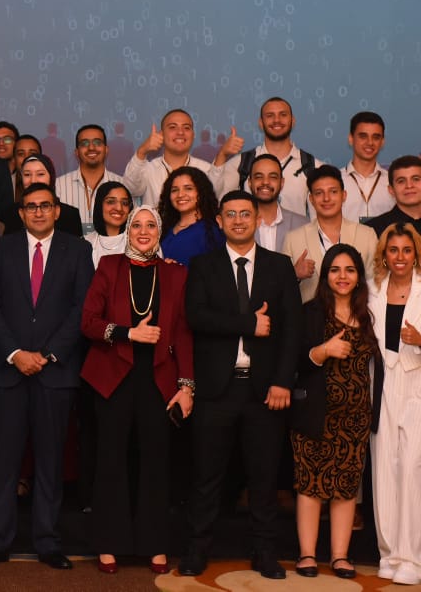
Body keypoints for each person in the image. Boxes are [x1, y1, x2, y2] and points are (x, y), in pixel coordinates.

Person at [179, 190, 302, 580]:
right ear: (219, 221)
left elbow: (292, 330)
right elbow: (196, 316)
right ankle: (197, 550)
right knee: (206, 477)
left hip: (265, 391)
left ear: (257, 219)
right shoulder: (203, 265)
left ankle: (265, 553)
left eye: (245, 214)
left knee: (264, 480)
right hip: (216, 389)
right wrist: (248, 323)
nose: (237, 220)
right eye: (230, 214)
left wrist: (283, 381)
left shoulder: (279, 266)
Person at [0, 183, 92, 570]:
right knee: (4, 462)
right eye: (30, 207)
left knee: (50, 462)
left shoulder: (78, 250)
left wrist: (48, 354)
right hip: (7, 369)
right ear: (21, 213)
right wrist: (16, 354)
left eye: (45, 206)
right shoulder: (1, 249)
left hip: (55, 371)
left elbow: (81, 309)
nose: (38, 212)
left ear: (57, 210)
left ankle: (47, 541)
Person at [80, 205, 193, 574]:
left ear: (159, 233)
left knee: (156, 462)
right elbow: (88, 323)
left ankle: (154, 544)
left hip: (158, 381)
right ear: (127, 231)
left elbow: (183, 333)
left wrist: (187, 386)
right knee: (110, 461)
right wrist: (129, 333)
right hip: (112, 378)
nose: (143, 232)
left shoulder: (176, 273)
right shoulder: (108, 266)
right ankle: (108, 544)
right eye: (137, 226)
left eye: (151, 226)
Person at [288, 244, 380, 580]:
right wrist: (323, 351)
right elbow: (294, 360)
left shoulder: (369, 314)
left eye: (350, 270)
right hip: (315, 414)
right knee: (310, 485)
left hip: (355, 418)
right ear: (325, 275)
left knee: (345, 486)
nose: (343, 276)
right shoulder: (310, 312)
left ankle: (340, 556)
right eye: (335, 270)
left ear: (359, 276)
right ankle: (307, 555)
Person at [368, 222, 421, 585]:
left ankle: (412, 557)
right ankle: (388, 553)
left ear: (415, 254)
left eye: (406, 250)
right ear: (384, 255)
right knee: (384, 468)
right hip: (381, 385)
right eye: (393, 250)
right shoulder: (373, 289)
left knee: (412, 470)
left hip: (416, 383)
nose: (400, 257)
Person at [282, 165, 377, 301]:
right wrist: (295, 275)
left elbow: (376, 284)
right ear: (311, 199)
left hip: (356, 312)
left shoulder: (367, 235)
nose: (326, 198)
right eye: (319, 193)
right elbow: (281, 292)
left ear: (344, 195)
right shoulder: (293, 239)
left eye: (333, 192)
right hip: (309, 313)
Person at [218, 97, 322, 218]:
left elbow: (318, 220)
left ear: (293, 121)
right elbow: (216, 198)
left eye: (283, 115)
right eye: (270, 115)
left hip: (297, 230)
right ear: (261, 123)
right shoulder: (242, 163)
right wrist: (222, 155)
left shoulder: (313, 166)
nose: (276, 120)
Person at [122, 109, 226, 211]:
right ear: (161, 134)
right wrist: (142, 151)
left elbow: (214, 197)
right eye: (173, 127)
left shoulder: (205, 170)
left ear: (193, 135)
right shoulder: (149, 169)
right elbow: (131, 189)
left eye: (186, 128)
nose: (180, 132)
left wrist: (222, 155)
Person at [55, 124, 125, 235]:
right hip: (70, 246)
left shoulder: (122, 184)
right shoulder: (59, 185)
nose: (91, 148)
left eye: (97, 143)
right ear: (76, 152)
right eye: (84, 144)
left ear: (106, 149)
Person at [2, 154, 82, 236]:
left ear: (51, 177)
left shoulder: (70, 214)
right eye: (27, 175)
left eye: (40, 174)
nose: (33, 180)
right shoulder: (12, 213)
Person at [158, 166, 223, 267]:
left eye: (188, 188)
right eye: (174, 190)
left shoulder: (211, 232)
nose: (180, 194)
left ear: (201, 192)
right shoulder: (163, 229)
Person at [247, 153, 308, 251]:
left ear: (282, 183)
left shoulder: (303, 225)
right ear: (250, 183)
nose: (265, 182)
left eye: (273, 177)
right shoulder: (239, 224)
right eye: (259, 177)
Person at [341, 111, 393, 223]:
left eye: (376, 137)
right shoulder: (336, 181)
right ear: (351, 139)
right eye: (363, 136)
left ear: (382, 142)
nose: (370, 142)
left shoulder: (393, 181)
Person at [367, 155, 421, 237]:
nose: (409, 185)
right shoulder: (371, 230)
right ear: (391, 190)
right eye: (401, 181)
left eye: (416, 179)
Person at [84, 182, 132, 267]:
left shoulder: (138, 243)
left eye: (124, 203)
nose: (119, 208)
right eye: (111, 202)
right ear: (99, 205)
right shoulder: (85, 244)